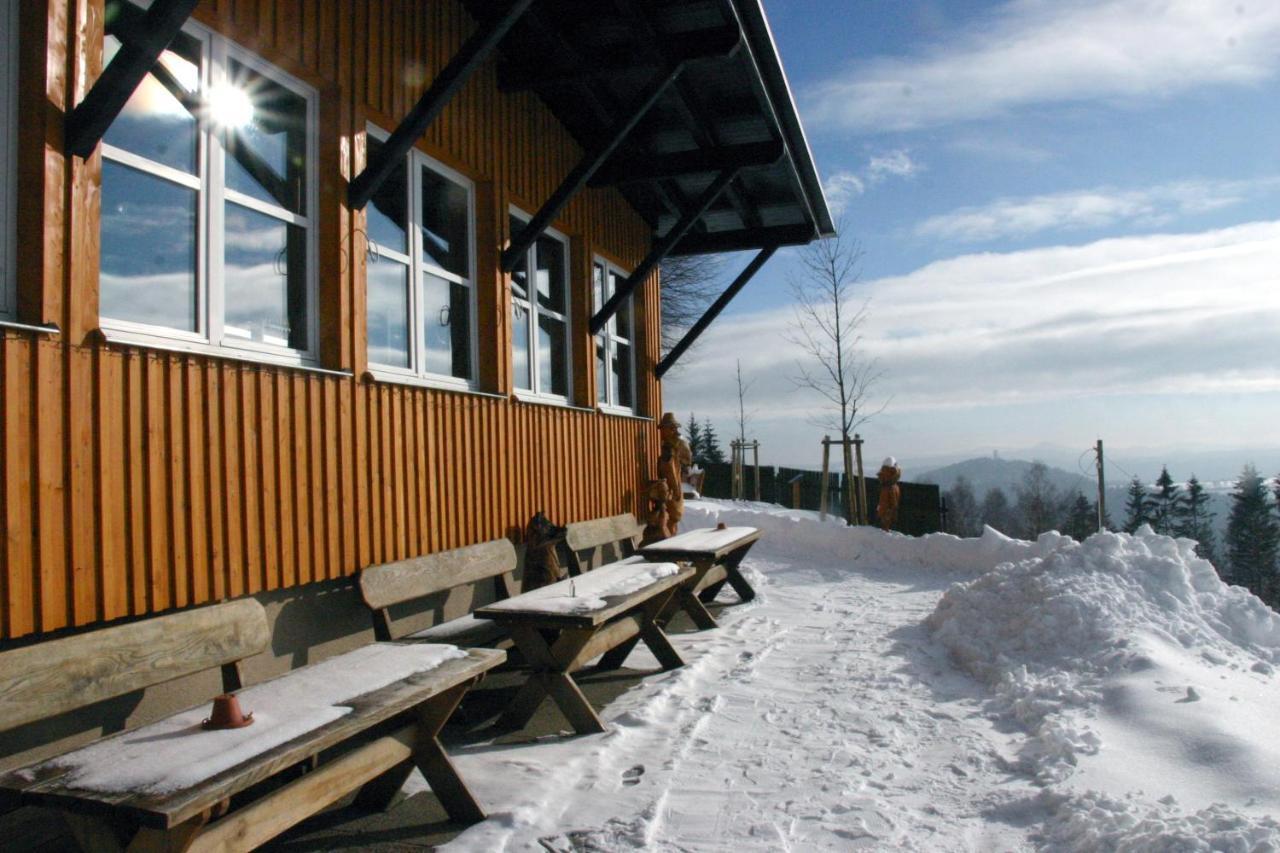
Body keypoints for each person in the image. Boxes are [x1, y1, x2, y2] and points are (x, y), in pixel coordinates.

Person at [657, 413, 692, 537]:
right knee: (671, 519)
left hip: (674, 488)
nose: (674, 431)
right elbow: (669, 472)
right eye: (671, 428)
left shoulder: (675, 447)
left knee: (674, 519)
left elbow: (688, 458)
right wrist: (676, 492)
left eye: (675, 428)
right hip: (669, 490)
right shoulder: (667, 451)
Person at [877, 456, 902, 532]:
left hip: (886, 523)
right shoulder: (892, 486)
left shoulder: (889, 488)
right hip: (885, 519)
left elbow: (892, 506)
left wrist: (885, 519)